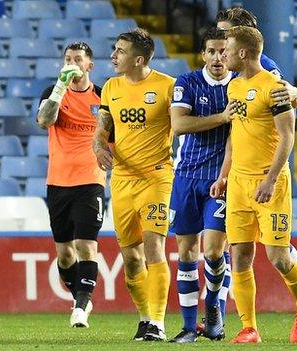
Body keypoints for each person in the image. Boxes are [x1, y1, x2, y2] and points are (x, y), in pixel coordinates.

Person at [216, 7, 297, 339]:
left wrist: (271, 179)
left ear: (242, 52)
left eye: (227, 50)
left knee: (278, 256)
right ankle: (249, 328)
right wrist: (223, 175)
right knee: (240, 256)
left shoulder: (273, 86)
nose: (222, 56)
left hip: (267, 182)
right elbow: (235, 134)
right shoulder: (233, 88)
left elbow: (288, 135)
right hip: (237, 183)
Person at [93, 28, 175, 341]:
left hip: (156, 176)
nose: (113, 56)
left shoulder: (167, 86)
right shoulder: (111, 87)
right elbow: (102, 129)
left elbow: (180, 122)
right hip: (123, 180)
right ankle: (144, 318)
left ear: (138, 59)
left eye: (120, 51)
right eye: (114, 50)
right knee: (130, 259)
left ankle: (157, 322)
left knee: (154, 247)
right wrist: (99, 147)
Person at [167, 27, 237, 343]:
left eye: (224, 51)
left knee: (212, 251)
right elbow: (179, 125)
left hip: (220, 179)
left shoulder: (240, 85)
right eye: (212, 51)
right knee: (185, 252)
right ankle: (188, 326)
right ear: (203, 54)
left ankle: (213, 307)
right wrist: (223, 117)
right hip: (185, 176)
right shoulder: (187, 83)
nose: (218, 57)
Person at [36, 41, 105, 328]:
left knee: (87, 247)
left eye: (78, 60)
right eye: (68, 60)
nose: (72, 65)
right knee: (65, 255)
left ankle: (81, 305)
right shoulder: (53, 94)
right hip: (58, 182)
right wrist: (59, 88)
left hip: (90, 181)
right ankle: (80, 295)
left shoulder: (103, 96)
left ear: (89, 65)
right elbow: (43, 121)